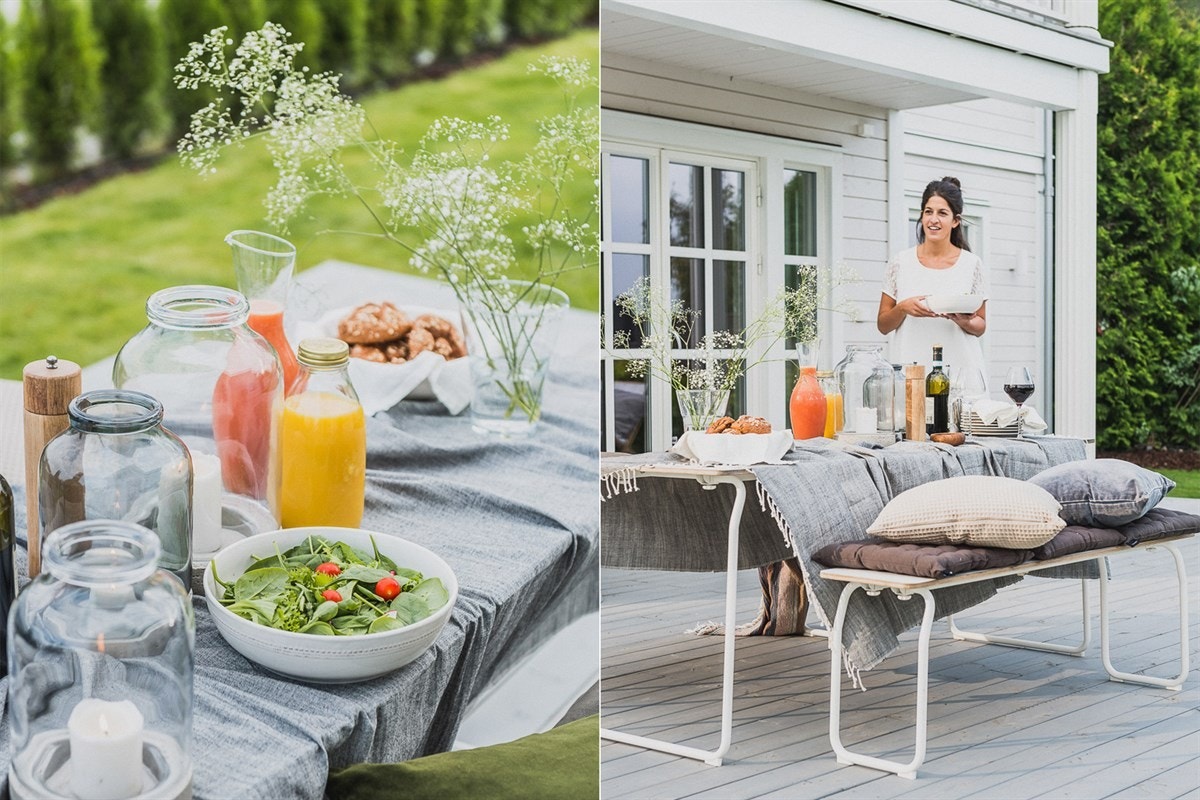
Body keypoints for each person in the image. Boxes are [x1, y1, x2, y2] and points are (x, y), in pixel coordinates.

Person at [877, 176, 988, 385]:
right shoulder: (900, 262)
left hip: (962, 373)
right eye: (928, 212)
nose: (933, 219)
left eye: (942, 213)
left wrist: (965, 321)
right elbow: (883, 325)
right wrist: (902, 308)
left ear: (955, 221)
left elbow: (981, 325)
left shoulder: (972, 264)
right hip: (911, 372)